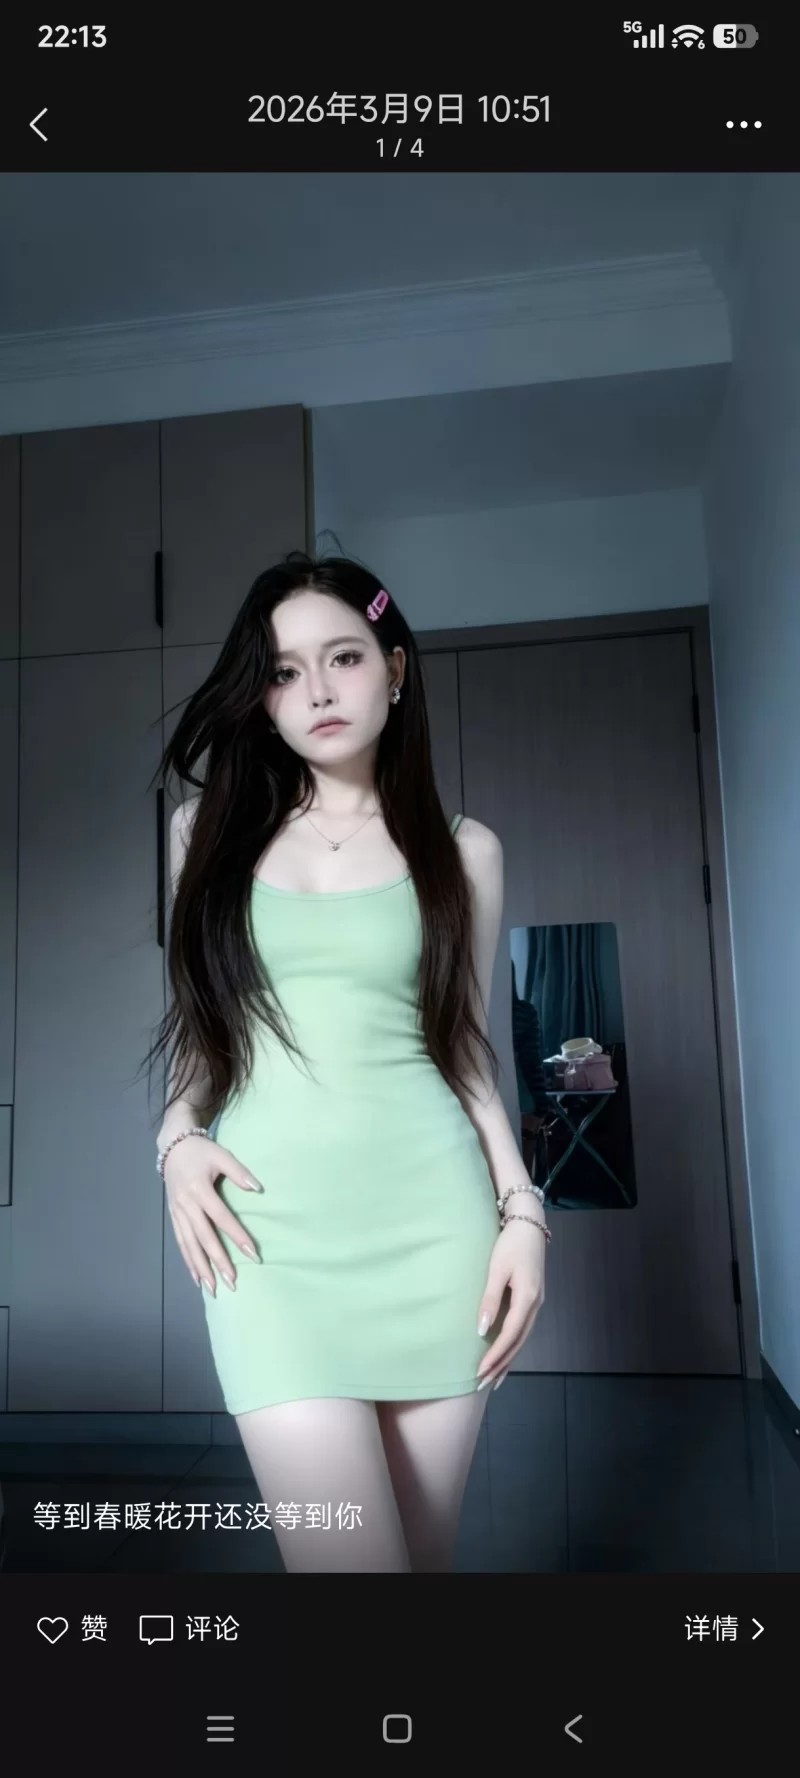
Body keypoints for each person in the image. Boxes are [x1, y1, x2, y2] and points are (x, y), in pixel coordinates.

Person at [142, 550, 549, 1573]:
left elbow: (465, 1050)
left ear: (393, 668)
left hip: (436, 1233)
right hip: (268, 1240)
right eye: (284, 671)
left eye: (345, 657)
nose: (317, 690)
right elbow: (202, 1038)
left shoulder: (466, 852)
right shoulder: (202, 835)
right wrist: (176, 1138)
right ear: (260, 695)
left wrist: (522, 1213)